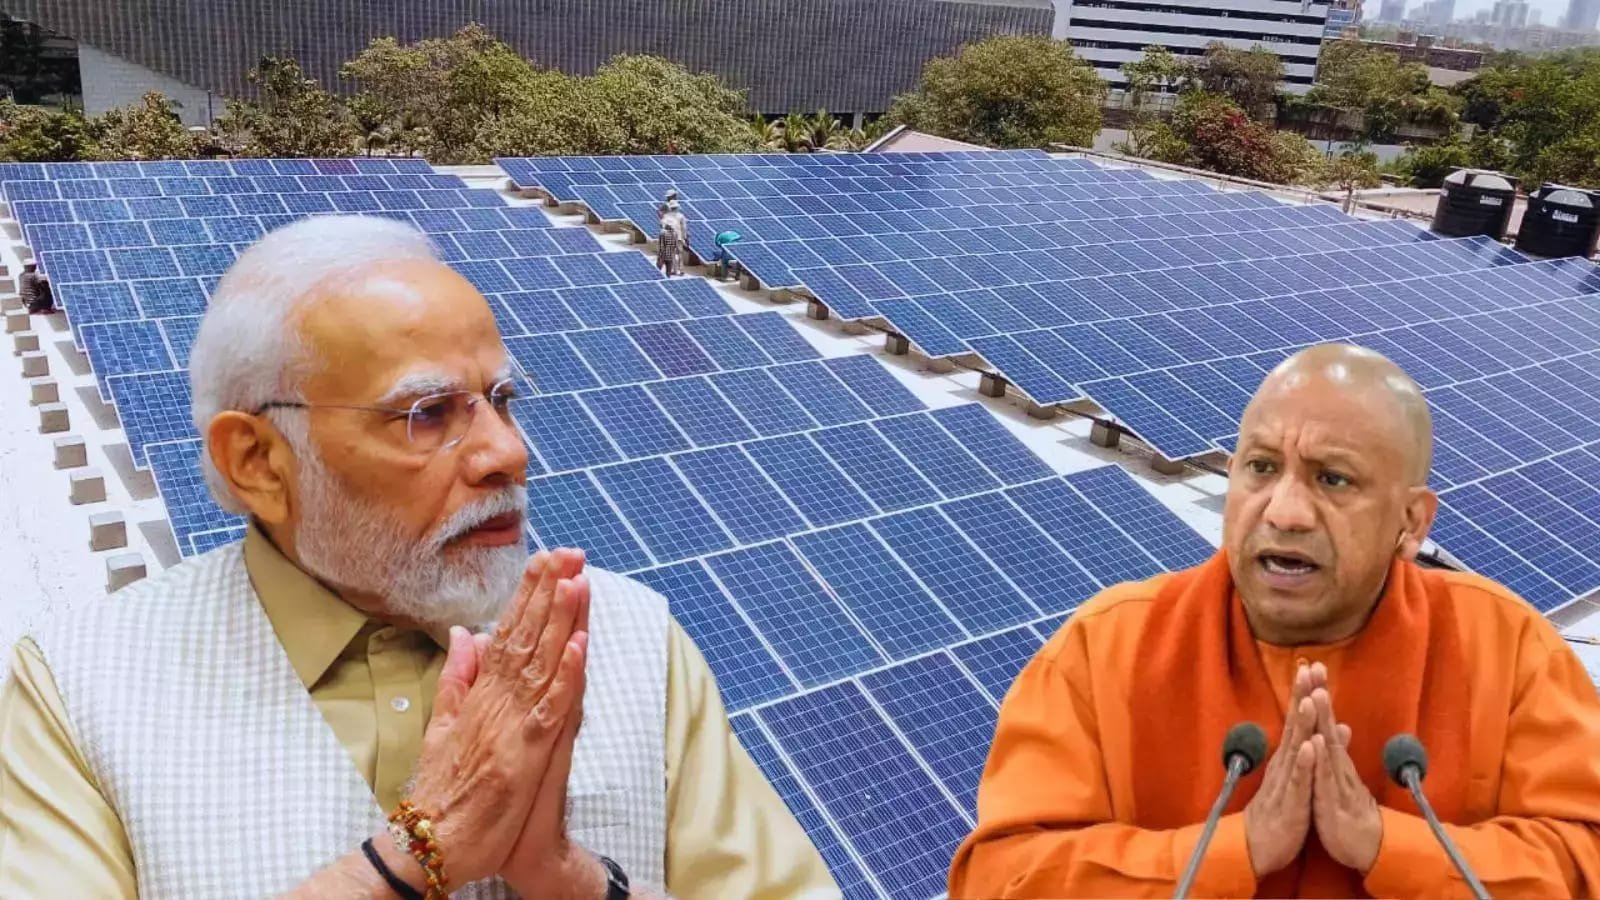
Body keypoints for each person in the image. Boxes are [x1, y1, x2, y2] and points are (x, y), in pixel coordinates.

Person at [0, 216, 839, 899]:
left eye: (503, 400)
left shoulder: (634, 641)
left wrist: (576, 881)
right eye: (427, 413)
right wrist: (404, 861)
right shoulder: (82, 692)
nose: (508, 452)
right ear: (257, 462)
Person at [949, 343, 1600, 898]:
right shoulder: (1107, 646)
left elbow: (1586, 859)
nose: (1284, 511)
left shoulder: (1505, 647)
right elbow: (1001, 876)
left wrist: (1386, 844)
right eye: (1261, 468)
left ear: (1411, 523)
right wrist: (1237, 850)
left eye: (1333, 479)